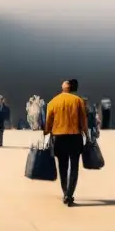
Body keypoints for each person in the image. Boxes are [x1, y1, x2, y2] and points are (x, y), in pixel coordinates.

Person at [43, 79, 89, 207]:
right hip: (74, 137)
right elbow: (83, 121)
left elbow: (48, 121)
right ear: (72, 89)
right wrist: (87, 134)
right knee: (74, 167)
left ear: (63, 88)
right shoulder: (78, 101)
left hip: (59, 137)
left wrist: (46, 132)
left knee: (63, 167)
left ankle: (65, 193)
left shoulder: (53, 102)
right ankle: (69, 194)